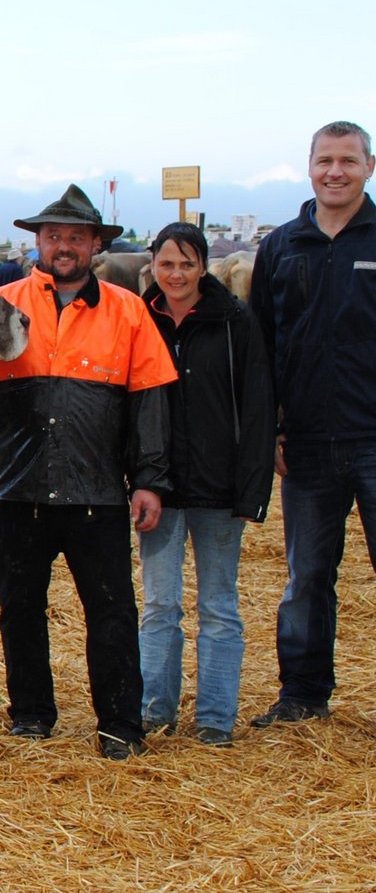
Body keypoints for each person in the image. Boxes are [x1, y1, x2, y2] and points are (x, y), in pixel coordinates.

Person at [0, 183, 176, 760]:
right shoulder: (2, 305)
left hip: (99, 493)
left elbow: (150, 405)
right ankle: (32, 716)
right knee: (20, 610)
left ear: (95, 243)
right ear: (37, 241)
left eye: (74, 236)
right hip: (19, 491)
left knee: (112, 612)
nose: (63, 246)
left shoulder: (128, 309)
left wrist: (149, 480)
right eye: (52, 236)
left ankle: (120, 724)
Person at [249, 120, 376, 729]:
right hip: (306, 444)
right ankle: (302, 695)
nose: (336, 171)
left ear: (368, 168)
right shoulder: (281, 247)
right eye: (326, 160)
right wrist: (271, 428)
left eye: (348, 161)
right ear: (309, 166)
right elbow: (264, 347)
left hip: (374, 437)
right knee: (307, 579)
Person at [137, 222, 275, 747]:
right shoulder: (141, 320)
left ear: (203, 268)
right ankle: (156, 711)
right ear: (154, 265)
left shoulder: (235, 321)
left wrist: (252, 488)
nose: (176, 274)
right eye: (168, 264)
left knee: (218, 605)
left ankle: (216, 717)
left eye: (187, 264)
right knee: (159, 604)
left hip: (220, 486)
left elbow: (257, 403)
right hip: (160, 485)